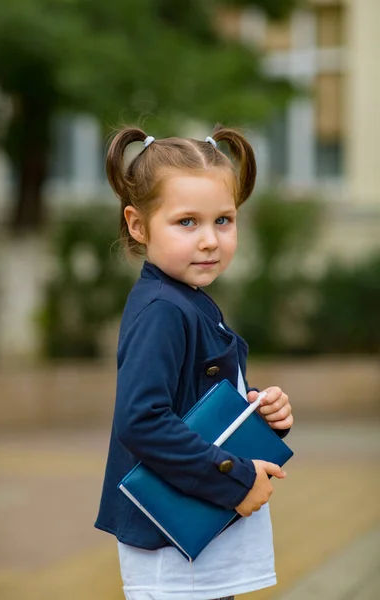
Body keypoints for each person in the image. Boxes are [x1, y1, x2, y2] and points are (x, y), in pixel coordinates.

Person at [95, 125, 294, 600]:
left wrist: (261, 416)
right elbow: (142, 422)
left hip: (197, 528)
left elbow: (195, 405)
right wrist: (236, 477)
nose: (209, 239)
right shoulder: (164, 309)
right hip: (174, 539)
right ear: (138, 225)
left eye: (223, 220)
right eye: (187, 222)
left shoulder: (187, 299)